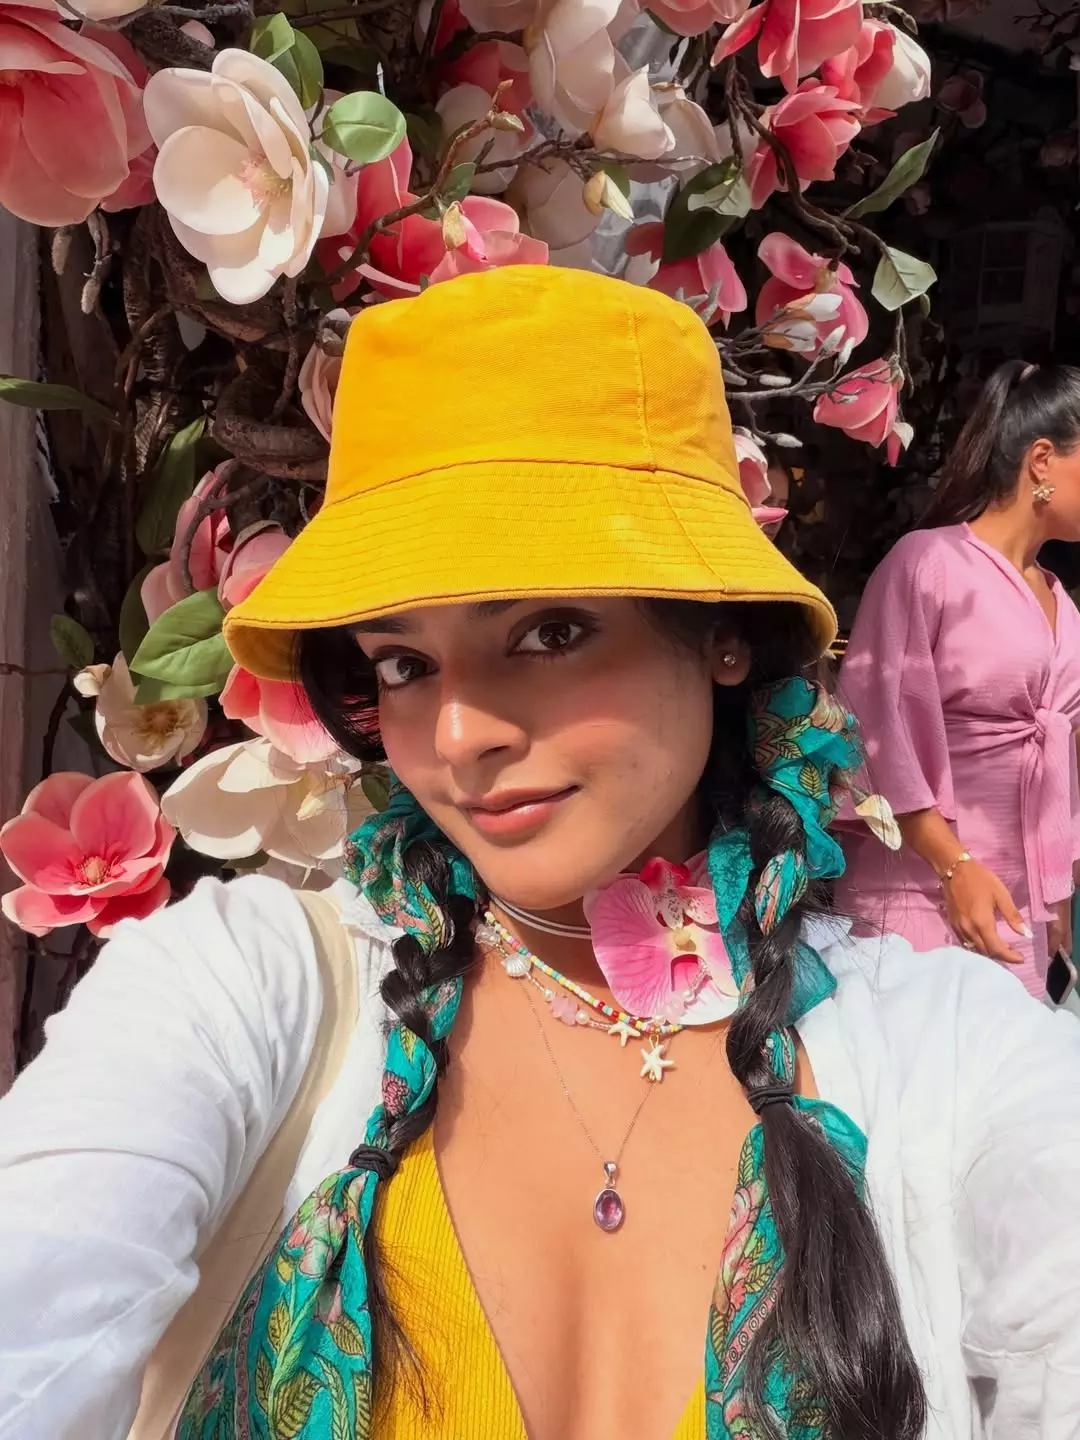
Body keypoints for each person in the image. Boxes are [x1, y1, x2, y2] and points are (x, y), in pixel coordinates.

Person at [1, 269, 1080, 1440]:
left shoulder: (950, 1057)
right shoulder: (238, 988)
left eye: (550, 632)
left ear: (722, 634)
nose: (459, 734)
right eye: (403, 663)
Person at [836, 361, 1080, 998]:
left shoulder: (1064, 603)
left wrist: (1059, 892)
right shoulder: (929, 563)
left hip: (1021, 901)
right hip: (920, 887)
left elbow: (1064, 756)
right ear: (1043, 460)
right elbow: (875, 730)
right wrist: (955, 866)